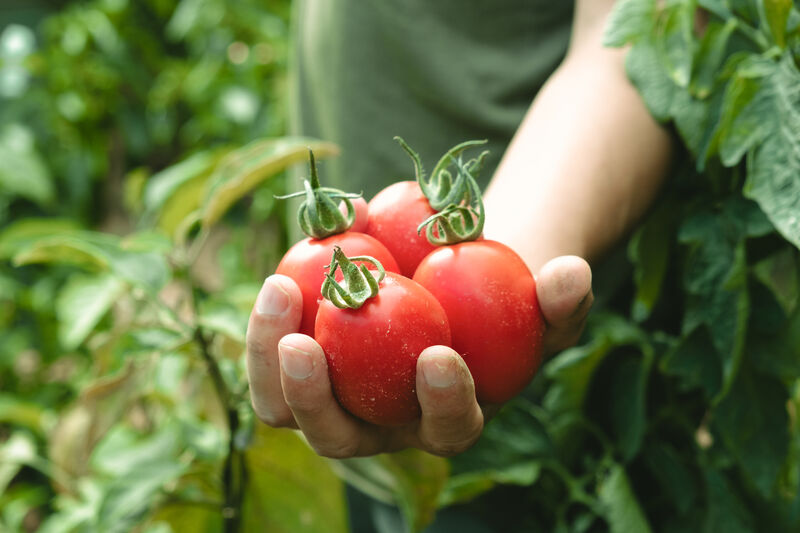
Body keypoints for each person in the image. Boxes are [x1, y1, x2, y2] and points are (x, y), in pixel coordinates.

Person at [245, 0, 672, 459]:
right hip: (335, 418)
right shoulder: (340, 268)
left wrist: (511, 290)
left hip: (549, 418)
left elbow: (637, 32)